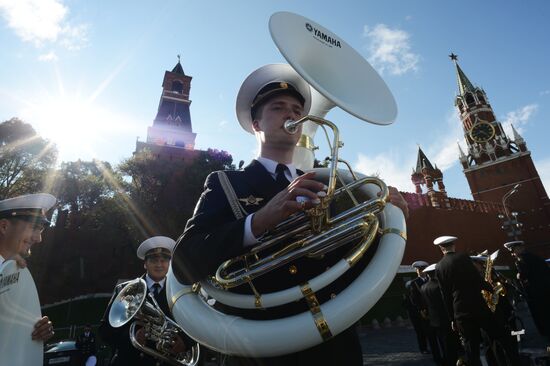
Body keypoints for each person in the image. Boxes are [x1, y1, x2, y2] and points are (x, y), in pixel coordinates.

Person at [172, 64, 409, 366]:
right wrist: (258, 221)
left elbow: (350, 258)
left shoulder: (327, 183)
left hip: (335, 347)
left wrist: (387, 224)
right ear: (256, 123)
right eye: (279, 107)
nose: (292, 114)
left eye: (298, 109)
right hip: (260, 350)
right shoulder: (225, 182)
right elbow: (183, 262)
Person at [99, 236, 192, 366]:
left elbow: (196, 325)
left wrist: (186, 342)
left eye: (164, 260)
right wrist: (130, 338)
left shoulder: (181, 291)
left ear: (170, 263)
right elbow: (105, 331)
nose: (159, 264)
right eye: (154, 260)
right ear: (145, 263)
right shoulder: (125, 290)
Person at [434, 236, 519, 366]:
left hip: (460, 312)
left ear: (441, 248)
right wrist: (492, 289)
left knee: (470, 348)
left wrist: (452, 319)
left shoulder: (439, 267)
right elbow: (477, 280)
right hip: (478, 306)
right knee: (497, 336)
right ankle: (511, 362)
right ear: (454, 245)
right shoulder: (463, 258)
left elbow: (445, 295)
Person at [0, 193, 56, 343]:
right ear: (4, 226)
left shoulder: (17, 273)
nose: (38, 238)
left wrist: (33, 330)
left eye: (41, 229)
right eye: (33, 228)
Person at [504, 240, 550, 342]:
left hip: (535, 293)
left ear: (520, 249)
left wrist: (518, 275)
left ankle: (545, 332)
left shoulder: (522, 260)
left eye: (513, 251)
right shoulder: (534, 257)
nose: (513, 254)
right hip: (545, 289)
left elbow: (524, 275)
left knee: (540, 314)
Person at [420, 264, 460, 366]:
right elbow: (447, 302)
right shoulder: (441, 286)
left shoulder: (423, 287)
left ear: (428, 275)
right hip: (446, 319)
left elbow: (425, 304)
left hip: (434, 321)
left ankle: (447, 361)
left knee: (443, 343)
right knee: (451, 345)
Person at [407, 260, 435, 356]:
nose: (420, 271)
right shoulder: (414, 283)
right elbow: (413, 299)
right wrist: (420, 310)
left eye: (422, 269)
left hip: (432, 309)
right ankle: (423, 348)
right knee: (421, 331)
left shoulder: (431, 280)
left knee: (432, 330)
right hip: (421, 312)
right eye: (418, 270)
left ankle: (434, 347)